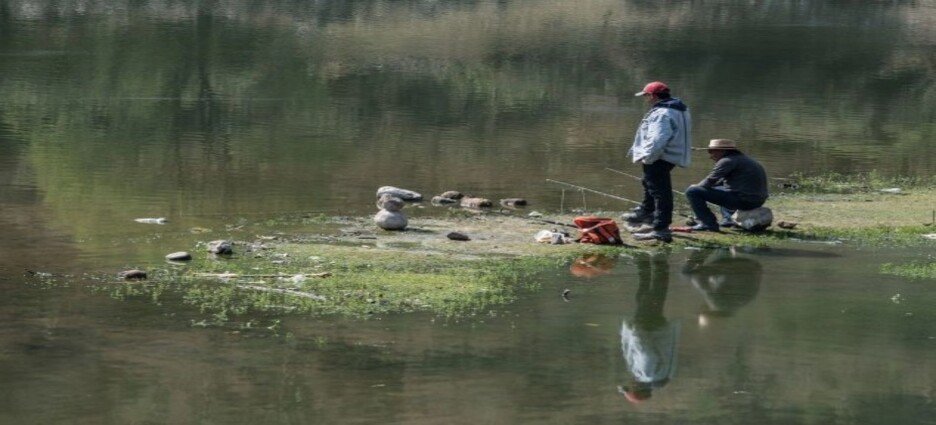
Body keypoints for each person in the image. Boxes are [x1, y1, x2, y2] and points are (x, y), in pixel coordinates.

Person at [623, 81, 692, 243]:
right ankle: (647, 211)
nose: (646, 99)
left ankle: (661, 229)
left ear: (653, 96)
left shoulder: (662, 113)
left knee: (660, 192)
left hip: (660, 156)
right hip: (670, 155)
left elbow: (658, 140)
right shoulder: (680, 109)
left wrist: (648, 157)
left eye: (646, 95)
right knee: (649, 183)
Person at [618, 253, 679, 403]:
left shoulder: (661, 377)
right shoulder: (646, 373)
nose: (629, 382)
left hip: (657, 329)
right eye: (629, 386)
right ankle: (658, 260)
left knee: (645, 297)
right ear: (637, 387)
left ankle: (644, 262)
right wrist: (636, 333)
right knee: (654, 294)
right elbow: (646, 354)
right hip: (648, 329)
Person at [685, 139, 768, 231]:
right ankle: (728, 220)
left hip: (745, 201)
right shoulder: (742, 159)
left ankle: (708, 223)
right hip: (757, 200)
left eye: (712, 152)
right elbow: (718, 182)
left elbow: (709, 181)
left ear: (722, 151)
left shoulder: (726, 161)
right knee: (721, 188)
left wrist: (695, 187)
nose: (711, 156)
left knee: (692, 191)